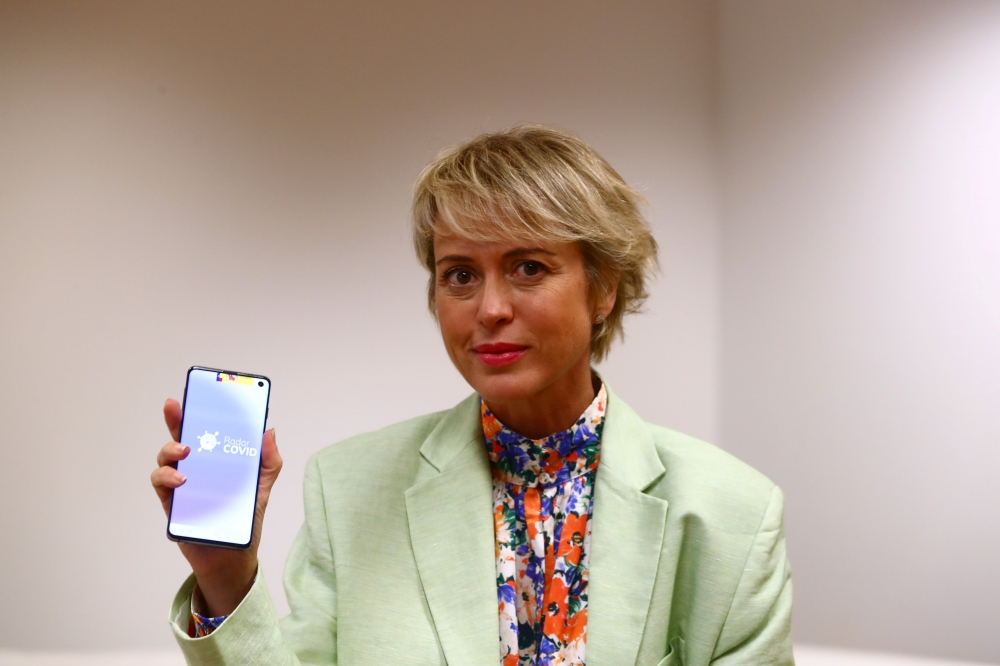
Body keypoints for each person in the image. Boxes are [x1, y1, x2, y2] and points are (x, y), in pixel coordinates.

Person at [152, 125, 793, 666]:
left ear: (605, 290)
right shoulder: (348, 489)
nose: (489, 309)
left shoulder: (731, 515)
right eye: (459, 275)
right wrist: (224, 576)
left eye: (529, 268)